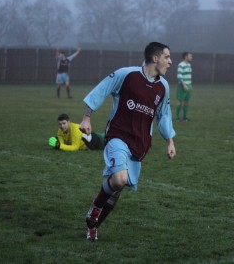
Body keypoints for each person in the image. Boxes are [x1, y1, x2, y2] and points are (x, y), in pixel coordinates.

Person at [79, 42, 176, 241]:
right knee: (119, 179)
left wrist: (170, 141)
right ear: (155, 58)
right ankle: (95, 207)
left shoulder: (163, 87)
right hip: (118, 135)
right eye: (167, 57)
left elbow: (164, 115)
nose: (170, 62)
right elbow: (101, 89)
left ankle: (93, 226)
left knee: (118, 189)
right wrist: (87, 117)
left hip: (140, 143)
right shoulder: (127, 74)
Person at [176, 52, 193, 122]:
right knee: (180, 102)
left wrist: (190, 85)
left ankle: (185, 117)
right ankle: (177, 118)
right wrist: (184, 85)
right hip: (182, 85)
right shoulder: (181, 65)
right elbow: (179, 76)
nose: (191, 57)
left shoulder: (189, 65)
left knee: (187, 102)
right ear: (186, 57)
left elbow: (189, 76)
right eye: (190, 56)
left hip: (188, 85)